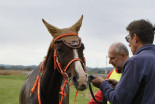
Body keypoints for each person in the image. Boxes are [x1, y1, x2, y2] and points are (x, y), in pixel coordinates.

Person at [91, 19, 155, 104]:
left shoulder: (135, 62)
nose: (128, 44)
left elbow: (117, 101)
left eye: (128, 39)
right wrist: (119, 86)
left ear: (135, 38)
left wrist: (102, 84)